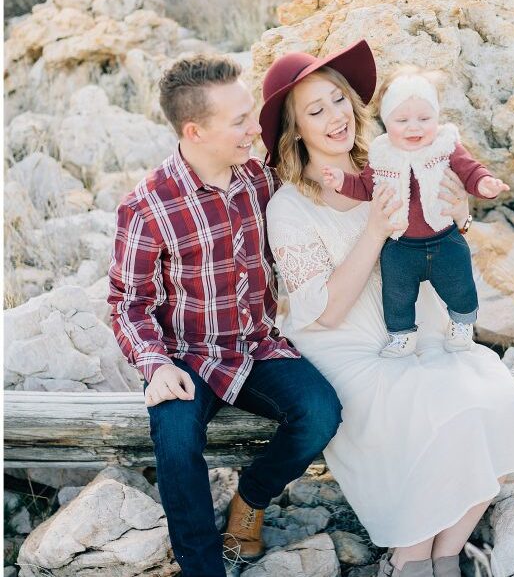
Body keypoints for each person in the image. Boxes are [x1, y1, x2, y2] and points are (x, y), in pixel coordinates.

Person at [260, 40, 514, 577]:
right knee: (435, 414)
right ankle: (411, 558)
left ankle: (444, 553)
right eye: (315, 111)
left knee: (500, 401)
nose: (335, 117)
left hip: (418, 328)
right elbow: (323, 312)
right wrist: (372, 230)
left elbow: (439, 240)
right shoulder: (290, 207)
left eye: (339, 101)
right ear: (296, 129)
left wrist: (458, 215)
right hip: (346, 346)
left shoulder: (395, 161)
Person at [107, 54, 343, 577]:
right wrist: (155, 364)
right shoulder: (148, 205)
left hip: (257, 345)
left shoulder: (260, 178)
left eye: (250, 113)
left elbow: (321, 202)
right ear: (195, 130)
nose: (253, 126)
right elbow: (128, 303)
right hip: (186, 357)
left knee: (321, 413)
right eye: (238, 120)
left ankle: (250, 500)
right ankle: (201, 565)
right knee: (174, 438)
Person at [321, 64, 510, 358]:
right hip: (401, 244)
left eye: (424, 118)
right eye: (402, 119)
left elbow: (469, 170)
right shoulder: (382, 153)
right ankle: (402, 336)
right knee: (396, 294)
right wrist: (341, 182)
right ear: (386, 121)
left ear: (437, 117)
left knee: (460, 282)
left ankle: (462, 323)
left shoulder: (445, 145)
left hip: (444, 236)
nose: (414, 127)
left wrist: (484, 183)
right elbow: (365, 188)